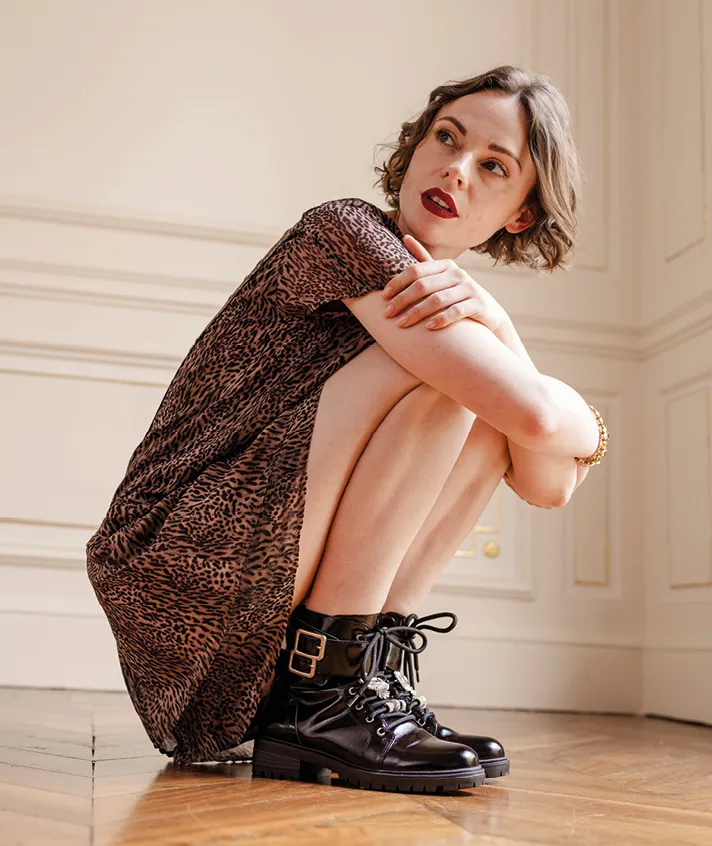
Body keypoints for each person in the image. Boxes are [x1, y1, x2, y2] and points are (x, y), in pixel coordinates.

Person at [86, 65, 608, 794]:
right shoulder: (345, 231)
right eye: (446, 138)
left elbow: (547, 483)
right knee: (456, 385)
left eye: (493, 166)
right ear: (415, 147)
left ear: (521, 213)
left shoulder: (458, 307)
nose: (455, 169)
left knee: (480, 404)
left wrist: (499, 325)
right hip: (176, 555)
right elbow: (540, 420)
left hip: (262, 575)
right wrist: (558, 399)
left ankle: (364, 678)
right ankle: (327, 695)